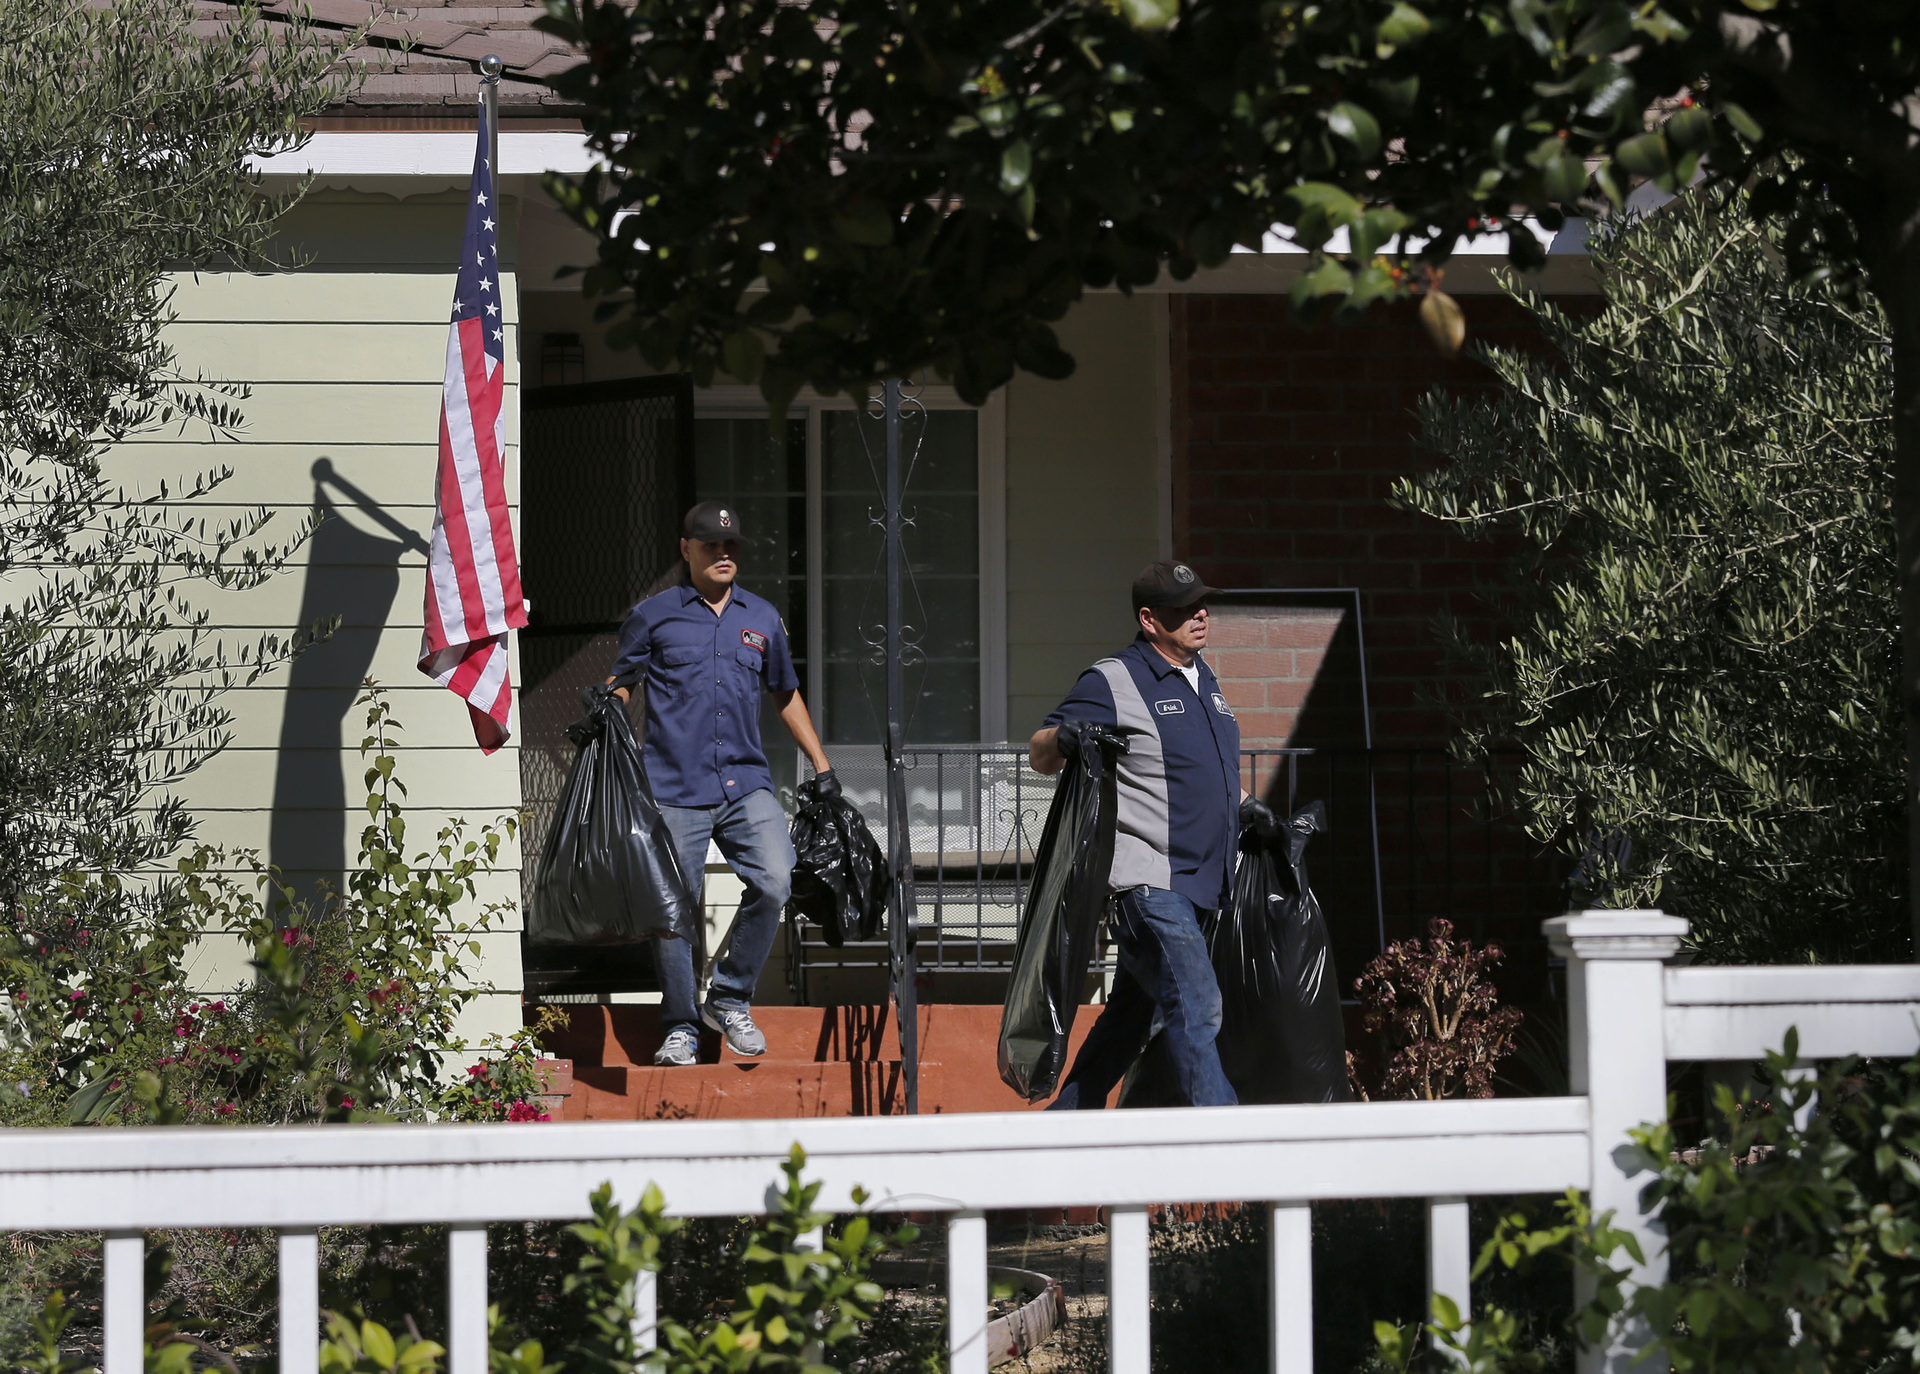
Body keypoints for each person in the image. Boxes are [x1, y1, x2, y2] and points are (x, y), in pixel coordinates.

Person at [1029, 560, 1263, 1108]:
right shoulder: (1114, 678)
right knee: (1197, 1002)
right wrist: (1065, 737)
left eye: (1202, 603)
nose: (1200, 614)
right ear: (1150, 619)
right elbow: (1040, 751)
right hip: (1149, 883)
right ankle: (1229, 1146)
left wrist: (1254, 811)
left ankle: (1063, 1136)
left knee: (1129, 1023)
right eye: (1184, 609)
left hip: (1202, 884)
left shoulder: (1205, 678)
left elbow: (1204, 772)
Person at [608, 500, 834, 1066]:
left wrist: (823, 766)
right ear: (686, 550)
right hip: (672, 787)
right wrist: (606, 716)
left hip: (745, 784)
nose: (723, 554)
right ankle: (682, 1027)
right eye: (711, 545)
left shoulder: (761, 618)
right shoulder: (654, 614)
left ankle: (729, 998)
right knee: (673, 912)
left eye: (731, 546)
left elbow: (785, 694)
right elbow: (623, 680)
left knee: (778, 880)